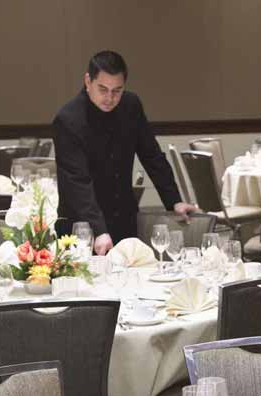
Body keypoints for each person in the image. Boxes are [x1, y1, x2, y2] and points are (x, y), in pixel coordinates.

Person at [53, 50, 198, 254]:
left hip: (124, 219)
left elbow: (152, 156)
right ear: (88, 81)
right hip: (82, 229)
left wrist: (174, 200)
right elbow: (77, 183)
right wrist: (99, 230)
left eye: (117, 90)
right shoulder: (68, 119)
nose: (110, 98)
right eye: (103, 89)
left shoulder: (131, 106)